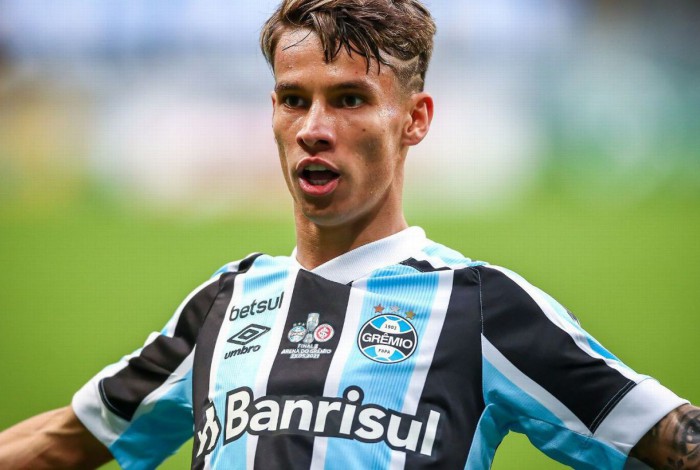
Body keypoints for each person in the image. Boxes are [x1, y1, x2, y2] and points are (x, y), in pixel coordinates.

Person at [0, 0, 698, 469]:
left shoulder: (483, 308)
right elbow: (65, 440)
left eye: (349, 100)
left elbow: (667, 434)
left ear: (415, 119)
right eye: (294, 100)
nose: (313, 129)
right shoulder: (221, 308)